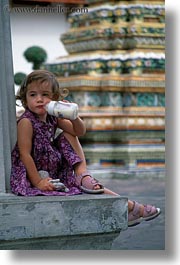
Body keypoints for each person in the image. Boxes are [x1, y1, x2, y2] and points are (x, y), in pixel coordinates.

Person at [11, 70, 161, 227]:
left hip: (53, 166)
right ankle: (134, 208)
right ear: (25, 99)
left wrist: (73, 116)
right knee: (87, 189)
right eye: (33, 95)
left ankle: (83, 174)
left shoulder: (53, 117)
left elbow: (79, 132)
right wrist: (38, 182)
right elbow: (24, 154)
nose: (39, 99)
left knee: (69, 135)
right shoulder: (26, 122)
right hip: (37, 173)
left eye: (45, 95)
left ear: (55, 99)